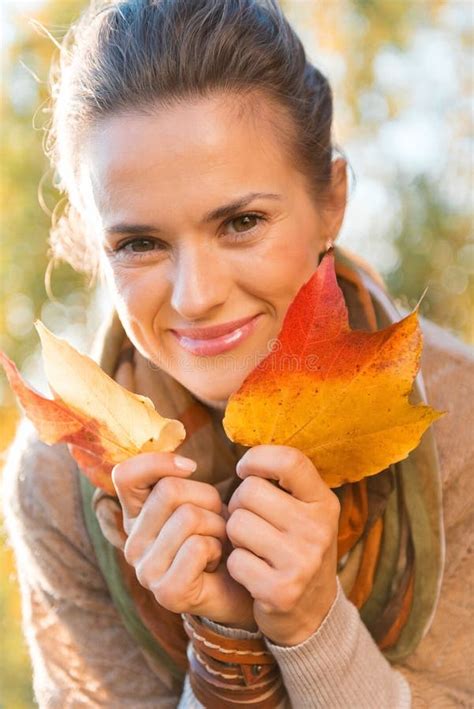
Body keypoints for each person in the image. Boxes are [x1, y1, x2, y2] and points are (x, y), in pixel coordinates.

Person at [3, 1, 473, 707]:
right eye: (140, 243)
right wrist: (227, 644)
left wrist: (314, 626)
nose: (196, 296)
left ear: (332, 203)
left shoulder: (457, 420)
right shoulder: (59, 478)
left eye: (242, 222)